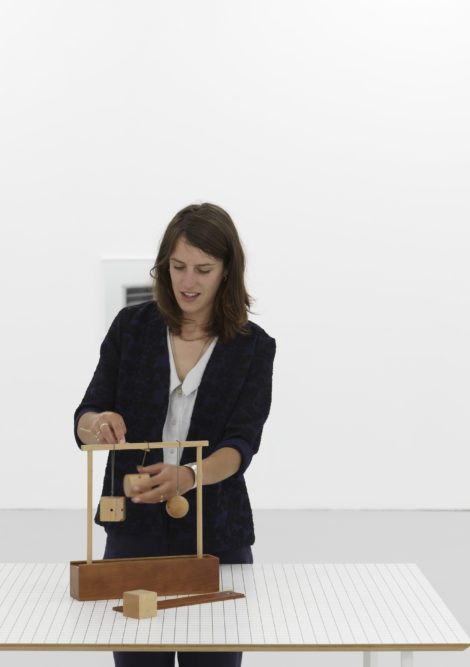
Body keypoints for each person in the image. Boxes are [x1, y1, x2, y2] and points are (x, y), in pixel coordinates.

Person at [74, 202, 276, 667]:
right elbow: (86, 414)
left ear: (227, 272)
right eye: (178, 267)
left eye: (203, 269)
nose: (188, 282)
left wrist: (186, 476)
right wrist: (97, 423)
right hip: (133, 533)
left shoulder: (253, 347)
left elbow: (241, 445)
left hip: (216, 536)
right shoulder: (131, 329)